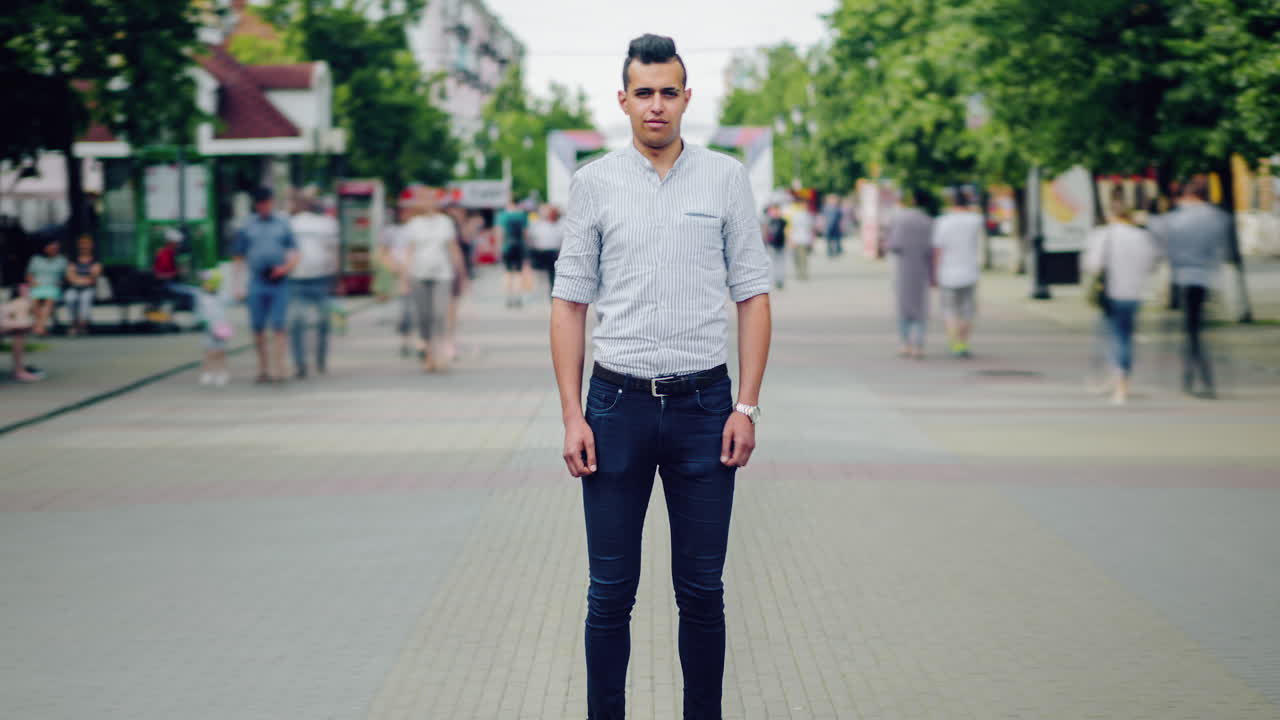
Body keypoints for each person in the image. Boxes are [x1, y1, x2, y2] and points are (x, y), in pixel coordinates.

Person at [550, 34, 773, 719]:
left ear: (686, 99)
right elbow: (569, 303)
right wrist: (572, 414)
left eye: (668, 92)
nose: (656, 105)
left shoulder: (726, 178)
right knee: (609, 593)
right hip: (614, 406)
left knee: (702, 590)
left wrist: (746, 406)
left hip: (705, 408)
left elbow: (754, 295)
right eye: (643, 93)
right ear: (623, 100)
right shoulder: (592, 184)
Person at [1150, 175, 1230, 398]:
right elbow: (1220, 248)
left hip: (1184, 277)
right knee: (1197, 331)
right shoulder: (1217, 217)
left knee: (1191, 332)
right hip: (1206, 278)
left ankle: (1195, 377)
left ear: (1187, 194)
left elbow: (1160, 241)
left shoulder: (1175, 219)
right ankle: (1198, 377)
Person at [1083, 188, 1161, 405]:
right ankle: (1120, 380)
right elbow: (1151, 264)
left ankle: (1116, 383)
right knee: (1125, 336)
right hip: (1133, 292)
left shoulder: (1102, 235)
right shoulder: (1142, 236)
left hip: (1109, 293)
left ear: (1111, 214)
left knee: (1111, 336)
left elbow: (1093, 265)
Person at [232, 187, 298, 384]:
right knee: (257, 327)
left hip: (279, 281)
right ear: (256, 205)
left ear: (271, 202)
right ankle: (263, 368)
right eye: (260, 204)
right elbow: (238, 256)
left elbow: (295, 252)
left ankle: (280, 368)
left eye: (267, 203)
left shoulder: (282, 224)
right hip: (257, 280)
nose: (264, 207)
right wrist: (237, 285)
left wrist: (286, 268)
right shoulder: (247, 225)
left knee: (279, 326)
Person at [401, 189, 467, 372]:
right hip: (419, 274)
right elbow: (409, 252)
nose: (429, 202)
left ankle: (441, 356)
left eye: (432, 199)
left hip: (442, 275)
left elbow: (454, 249)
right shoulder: (413, 224)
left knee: (440, 315)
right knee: (424, 317)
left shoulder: (445, 223)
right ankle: (428, 355)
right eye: (425, 199)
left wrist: (461, 273)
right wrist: (404, 278)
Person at [288, 189, 340, 379]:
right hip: (297, 279)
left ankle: (320, 359)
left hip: (321, 277)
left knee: (322, 322)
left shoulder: (327, 224)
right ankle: (300, 363)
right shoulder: (290, 224)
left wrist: (335, 275)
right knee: (297, 322)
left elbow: (333, 251)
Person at [930, 186, 986, 358]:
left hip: (947, 273)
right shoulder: (975, 219)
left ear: (951, 202)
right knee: (967, 311)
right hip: (969, 272)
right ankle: (963, 343)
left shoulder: (942, 222)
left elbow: (937, 250)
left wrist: (934, 273)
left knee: (949, 311)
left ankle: (954, 343)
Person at [886, 189, 935, 359]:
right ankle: (919, 346)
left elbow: (894, 245)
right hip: (922, 269)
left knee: (903, 307)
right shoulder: (928, 222)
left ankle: (905, 343)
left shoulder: (901, 220)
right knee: (921, 307)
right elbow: (932, 249)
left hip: (903, 268)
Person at [378, 200, 415, 357]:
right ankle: (406, 342)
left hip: (418, 272)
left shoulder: (416, 228)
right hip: (400, 275)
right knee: (406, 311)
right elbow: (382, 253)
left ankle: (419, 342)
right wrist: (395, 268)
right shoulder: (391, 231)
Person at [193, 269, 232, 387]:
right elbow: (198, 312)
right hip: (207, 329)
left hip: (221, 328)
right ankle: (208, 372)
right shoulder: (201, 296)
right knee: (208, 352)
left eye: (207, 282)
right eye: (204, 282)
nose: (204, 284)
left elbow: (231, 300)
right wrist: (198, 321)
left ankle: (222, 372)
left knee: (221, 352)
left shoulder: (221, 296)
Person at [26, 237, 67, 336]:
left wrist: (60, 283)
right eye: (52, 247)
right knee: (35, 300)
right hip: (37, 286)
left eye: (56, 248)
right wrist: (33, 283)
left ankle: (39, 327)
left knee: (49, 300)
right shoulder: (36, 259)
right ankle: (40, 327)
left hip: (53, 287)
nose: (54, 249)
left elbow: (65, 277)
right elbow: (29, 275)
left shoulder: (62, 260)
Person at [63, 235, 102, 336]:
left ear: (91, 245)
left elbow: (94, 277)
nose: (84, 246)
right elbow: (69, 276)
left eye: (87, 243)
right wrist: (80, 280)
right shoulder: (73, 259)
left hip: (89, 288)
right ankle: (73, 323)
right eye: (82, 243)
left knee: (85, 298)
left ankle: (83, 324)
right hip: (74, 287)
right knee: (70, 297)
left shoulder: (96, 260)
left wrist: (79, 280)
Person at [497, 199, 529, 307]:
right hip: (519, 247)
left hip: (507, 247)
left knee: (507, 273)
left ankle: (509, 298)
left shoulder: (502, 215)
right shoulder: (522, 216)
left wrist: (499, 247)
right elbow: (525, 234)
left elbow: (500, 232)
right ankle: (518, 297)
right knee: (518, 273)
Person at [528, 204, 564, 296]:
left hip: (555, 253)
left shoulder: (561, 225)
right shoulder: (540, 225)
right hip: (544, 254)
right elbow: (533, 239)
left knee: (553, 276)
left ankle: (553, 291)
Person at [784, 197, 814, 280]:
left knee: (803, 257)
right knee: (796, 257)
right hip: (796, 239)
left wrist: (812, 240)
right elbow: (790, 228)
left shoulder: (809, 215)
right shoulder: (795, 215)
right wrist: (790, 239)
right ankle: (799, 272)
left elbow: (811, 229)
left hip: (805, 239)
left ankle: (803, 273)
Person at [764, 203, 788, 289]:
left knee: (780, 263)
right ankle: (773, 281)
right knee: (772, 263)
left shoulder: (783, 221)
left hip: (781, 244)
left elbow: (786, 232)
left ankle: (780, 280)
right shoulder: (770, 221)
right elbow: (766, 233)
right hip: (772, 245)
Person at [821, 193, 844, 257]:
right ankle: (830, 251)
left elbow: (840, 217)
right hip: (828, 225)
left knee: (837, 238)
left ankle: (837, 250)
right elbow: (823, 217)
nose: (833, 201)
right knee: (829, 239)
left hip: (836, 226)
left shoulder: (837, 208)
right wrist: (823, 225)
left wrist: (841, 225)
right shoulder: (825, 207)